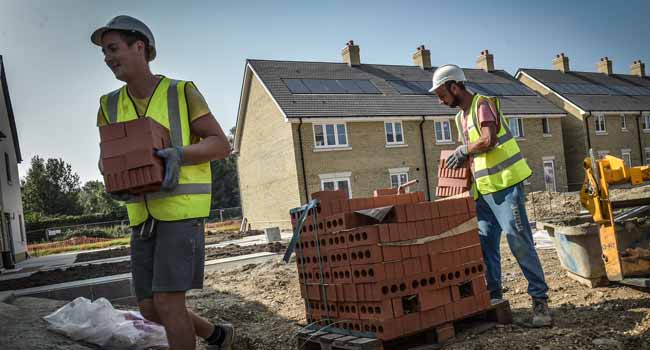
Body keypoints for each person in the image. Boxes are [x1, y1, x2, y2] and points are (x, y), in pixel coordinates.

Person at [91, 15, 234, 349]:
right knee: (151, 308)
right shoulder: (108, 104)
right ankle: (218, 336)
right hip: (142, 216)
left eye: (113, 48)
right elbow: (106, 155)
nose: (108, 58)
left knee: (169, 303)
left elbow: (220, 144)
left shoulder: (181, 92)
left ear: (139, 46)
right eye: (104, 53)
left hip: (181, 210)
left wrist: (178, 154)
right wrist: (112, 172)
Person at [430, 64, 552, 327]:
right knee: (485, 245)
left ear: (455, 86)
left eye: (442, 94)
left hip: (506, 186)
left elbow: (489, 140)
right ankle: (494, 298)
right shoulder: (459, 117)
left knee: (518, 240)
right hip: (483, 192)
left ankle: (540, 302)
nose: (440, 100)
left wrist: (464, 150)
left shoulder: (482, 104)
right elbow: (474, 153)